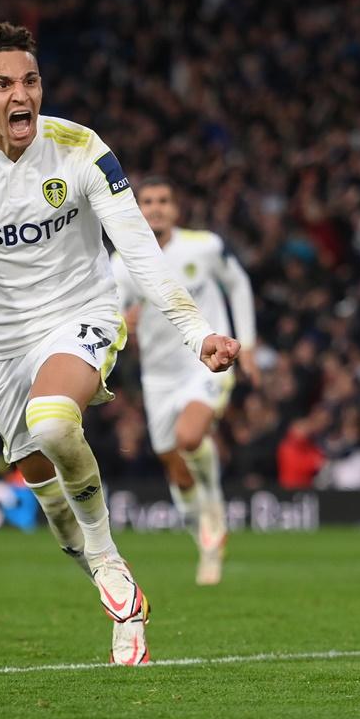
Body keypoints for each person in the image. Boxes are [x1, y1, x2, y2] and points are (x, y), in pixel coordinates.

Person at [0, 24, 239, 664]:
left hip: (81, 312)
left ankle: (111, 567)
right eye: (5, 84)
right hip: (1, 345)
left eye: (31, 81)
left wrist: (197, 331)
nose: (22, 95)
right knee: (44, 486)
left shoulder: (82, 149)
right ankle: (109, 572)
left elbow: (140, 249)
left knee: (53, 420)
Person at [111, 177, 258, 584]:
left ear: (176, 209)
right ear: (137, 209)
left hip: (205, 364)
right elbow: (110, 318)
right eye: (148, 201)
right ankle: (207, 543)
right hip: (158, 377)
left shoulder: (204, 247)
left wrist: (247, 341)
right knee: (175, 467)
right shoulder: (122, 264)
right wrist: (121, 324)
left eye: (164, 200)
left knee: (190, 436)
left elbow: (238, 283)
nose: (156, 207)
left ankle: (214, 507)